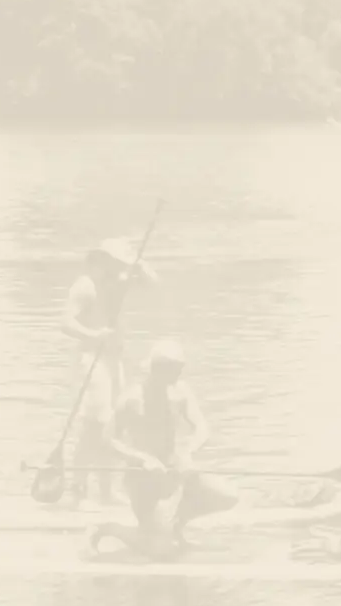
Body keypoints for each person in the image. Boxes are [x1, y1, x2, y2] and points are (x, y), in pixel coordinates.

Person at [93, 339, 229, 559]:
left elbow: (202, 428)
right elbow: (107, 440)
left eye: (180, 370)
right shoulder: (132, 398)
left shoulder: (181, 391)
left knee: (227, 496)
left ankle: (175, 525)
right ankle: (109, 529)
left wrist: (187, 452)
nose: (179, 376)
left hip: (175, 473)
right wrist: (141, 459)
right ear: (157, 370)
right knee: (163, 552)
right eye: (175, 371)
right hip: (143, 481)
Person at [59, 237, 153, 504]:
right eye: (116, 262)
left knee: (114, 424)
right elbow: (65, 323)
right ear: (103, 261)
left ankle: (107, 491)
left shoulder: (118, 281)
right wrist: (93, 334)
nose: (118, 268)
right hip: (92, 359)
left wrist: (140, 266)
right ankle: (77, 490)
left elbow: (151, 285)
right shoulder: (85, 286)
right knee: (94, 426)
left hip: (114, 360)